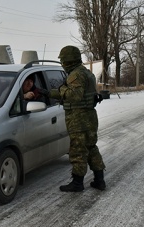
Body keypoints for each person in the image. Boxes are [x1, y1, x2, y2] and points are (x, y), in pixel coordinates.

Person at [46, 45, 106, 192]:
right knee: (91, 147)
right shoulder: (85, 72)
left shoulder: (75, 74)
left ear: (67, 61)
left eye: (63, 61)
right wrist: (48, 93)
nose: (62, 64)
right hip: (89, 116)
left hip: (79, 118)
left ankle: (77, 183)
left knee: (78, 150)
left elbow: (75, 95)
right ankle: (99, 180)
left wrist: (61, 89)